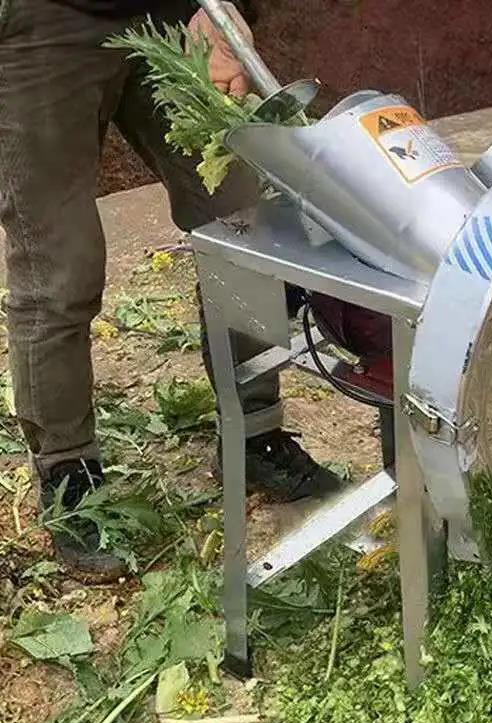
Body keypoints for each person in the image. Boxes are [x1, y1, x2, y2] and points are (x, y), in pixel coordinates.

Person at [0, 0, 337, 580]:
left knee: (242, 220)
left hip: (169, 9)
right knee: (59, 267)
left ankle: (253, 435)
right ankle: (68, 474)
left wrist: (225, 7)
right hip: (45, 23)